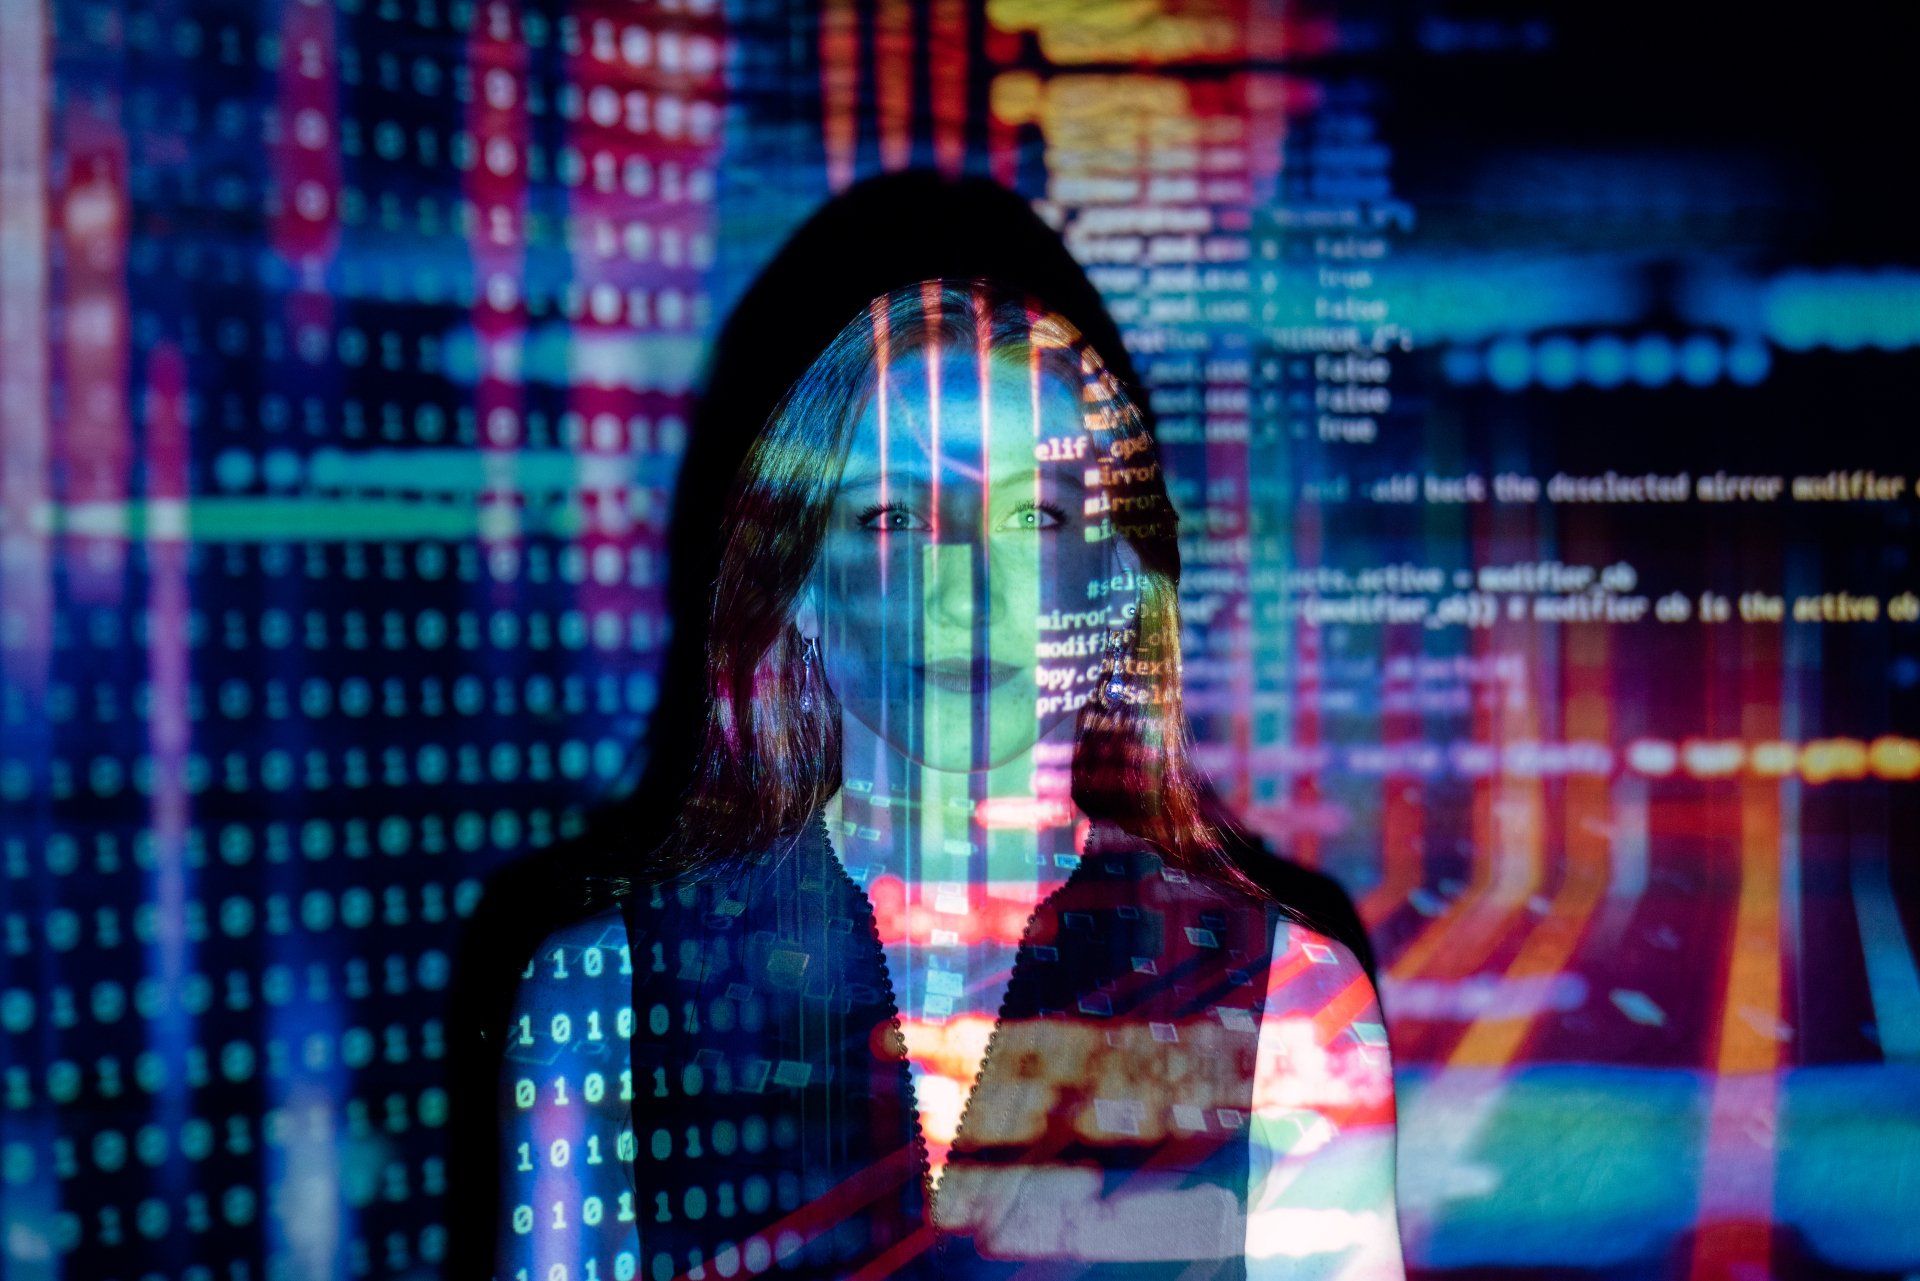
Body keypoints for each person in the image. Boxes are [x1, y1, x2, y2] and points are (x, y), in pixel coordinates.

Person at [491, 278, 1404, 1279]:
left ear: (1117, 585)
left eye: (1037, 518)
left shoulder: (1290, 1000)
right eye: (894, 519)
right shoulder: (607, 994)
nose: (969, 586)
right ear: (797, 582)